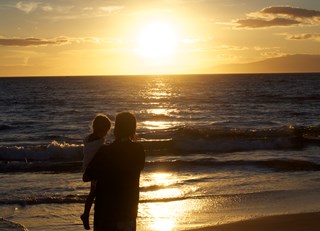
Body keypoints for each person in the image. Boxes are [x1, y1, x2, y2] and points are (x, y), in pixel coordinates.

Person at [83, 112, 145, 231]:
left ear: (116, 129)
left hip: (105, 211)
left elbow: (87, 176)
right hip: (128, 210)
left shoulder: (104, 151)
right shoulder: (139, 150)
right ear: (133, 129)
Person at [81, 114, 112, 230]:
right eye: (106, 131)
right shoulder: (99, 141)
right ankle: (86, 214)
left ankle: (86, 213)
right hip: (94, 169)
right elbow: (100, 152)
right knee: (93, 192)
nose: (106, 133)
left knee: (92, 193)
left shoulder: (88, 139)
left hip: (87, 167)